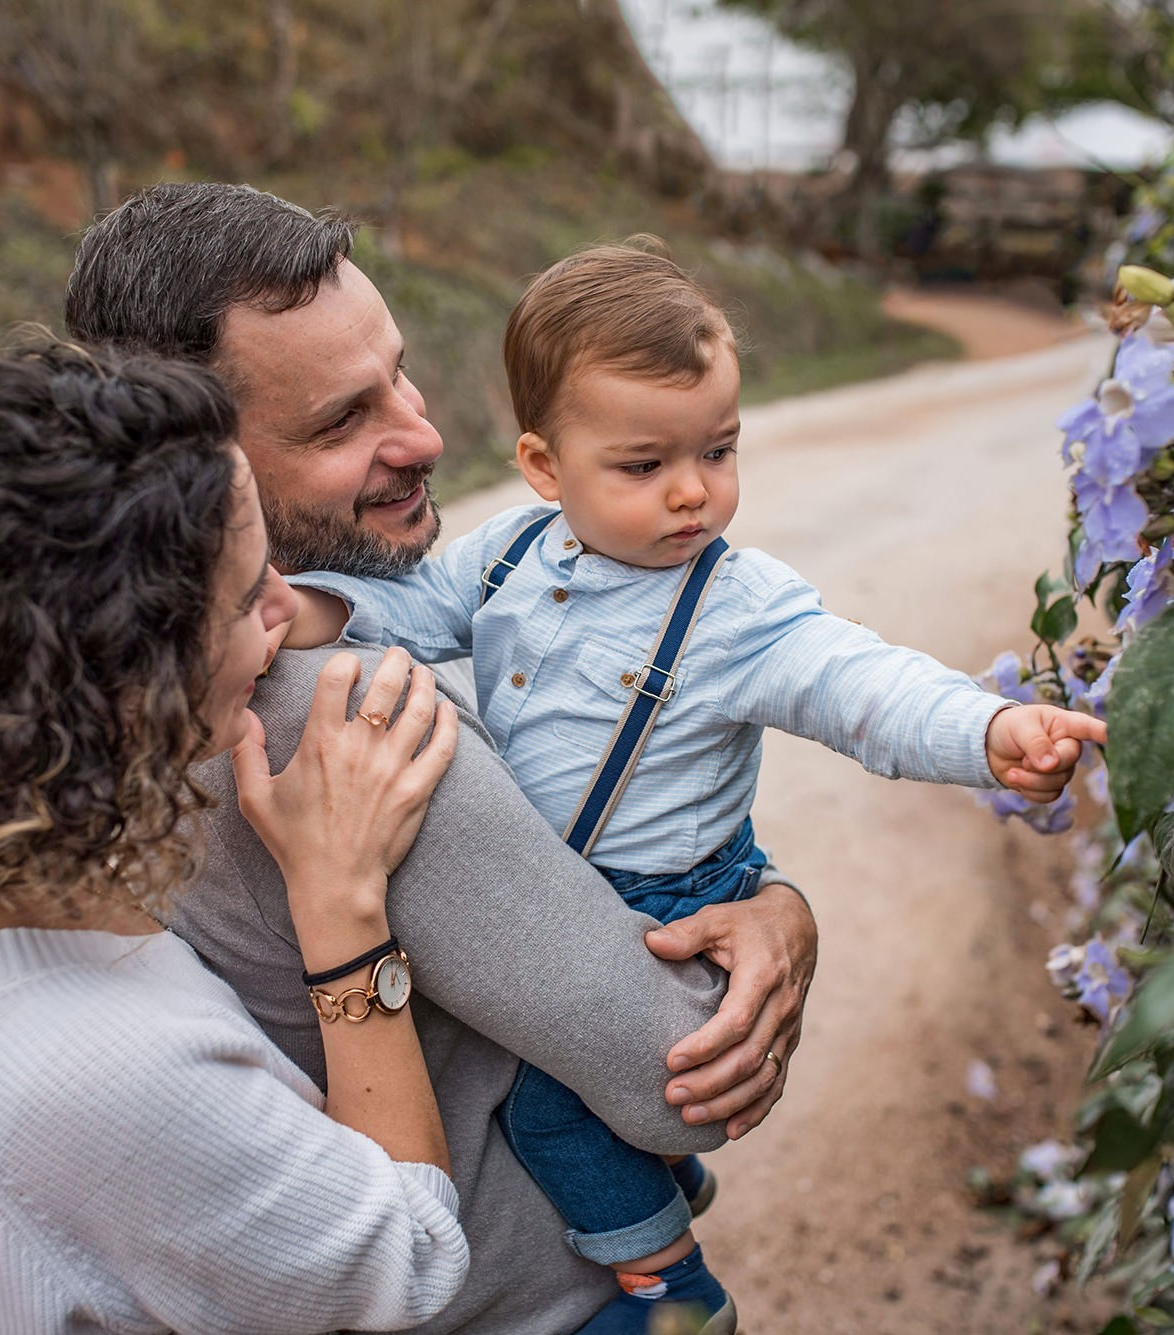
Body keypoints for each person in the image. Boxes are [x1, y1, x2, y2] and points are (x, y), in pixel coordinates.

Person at [276, 241, 1107, 1331]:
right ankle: (658, 1180)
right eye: (643, 464)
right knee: (580, 1085)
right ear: (544, 466)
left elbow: (856, 682)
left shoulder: (734, 606)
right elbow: (416, 607)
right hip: (578, 882)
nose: (691, 491)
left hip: (667, 894)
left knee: (552, 1115)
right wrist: (304, 608)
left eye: (718, 449)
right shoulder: (513, 552)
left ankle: (670, 1282)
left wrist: (986, 728)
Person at [65, 182, 822, 1334]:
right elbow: (680, 1075)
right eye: (340, 422)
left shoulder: (99, 677)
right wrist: (771, 911)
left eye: (399, 376)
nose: (421, 435)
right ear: (191, 465)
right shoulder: (338, 717)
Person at [0, 341, 471, 1331]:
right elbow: (412, 1259)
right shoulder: (112, 1075)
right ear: (127, 689)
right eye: (245, 599)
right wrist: (342, 905)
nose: (286, 600)